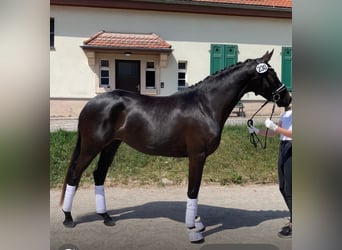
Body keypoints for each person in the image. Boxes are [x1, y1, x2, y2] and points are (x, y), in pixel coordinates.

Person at [248, 106, 292, 238]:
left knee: (290, 189)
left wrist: (275, 127)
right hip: (283, 148)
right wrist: (255, 130)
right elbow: (274, 134)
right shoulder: (285, 115)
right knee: (282, 187)